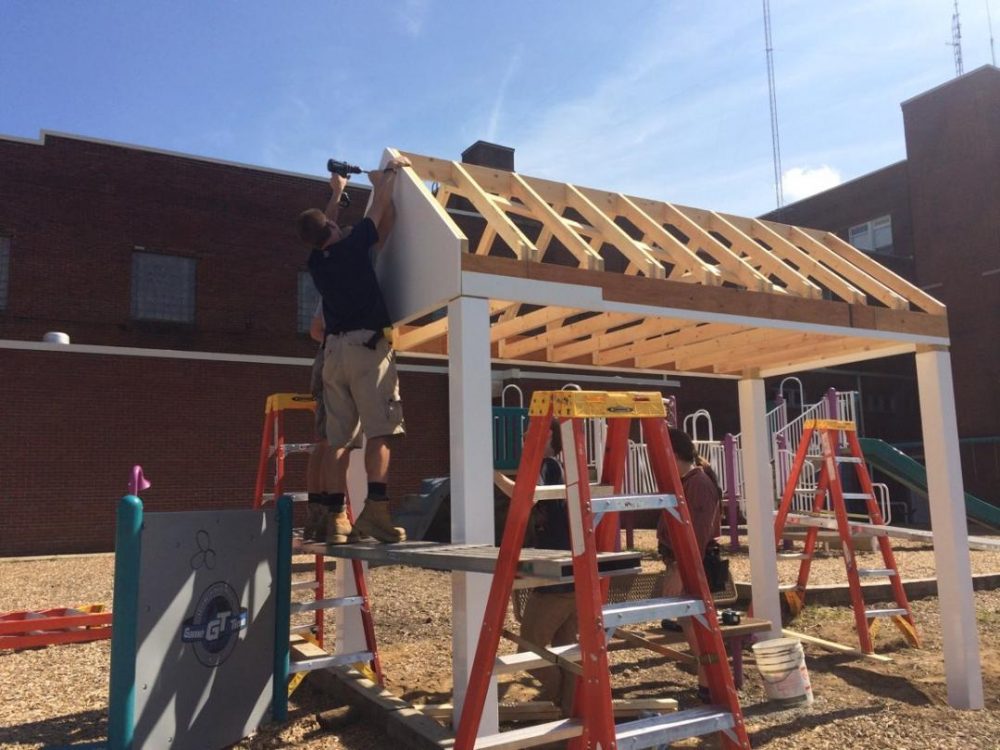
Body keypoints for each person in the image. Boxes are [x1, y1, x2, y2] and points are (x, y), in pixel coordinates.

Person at [296, 155, 411, 543]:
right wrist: (387, 176)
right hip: (366, 349)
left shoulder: (317, 260)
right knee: (379, 431)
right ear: (331, 227)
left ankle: (333, 517)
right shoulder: (353, 248)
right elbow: (379, 209)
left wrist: (337, 194)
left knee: (338, 440)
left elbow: (323, 226)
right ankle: (375, 512)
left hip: (334, 355)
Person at [656, 427, 723, 702]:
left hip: (693, 565)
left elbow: (695, 534)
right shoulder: (687, 481)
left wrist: (679, 572)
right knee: (691, 623)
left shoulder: (698, 484)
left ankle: (712, 684)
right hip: (685, 563)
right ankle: (708, 681)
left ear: (673, 453)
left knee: (698, 627)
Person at [519, 419, 577, 717]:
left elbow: (527, 495)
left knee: (527, 651)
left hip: (556, 581)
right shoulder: (556, 467)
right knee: (566, 652)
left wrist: (490, 477)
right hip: (568, 575)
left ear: (549, 435)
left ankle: (560, 701)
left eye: (530, 431)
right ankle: (570, 712)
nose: (525, 435)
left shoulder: (548, 465)